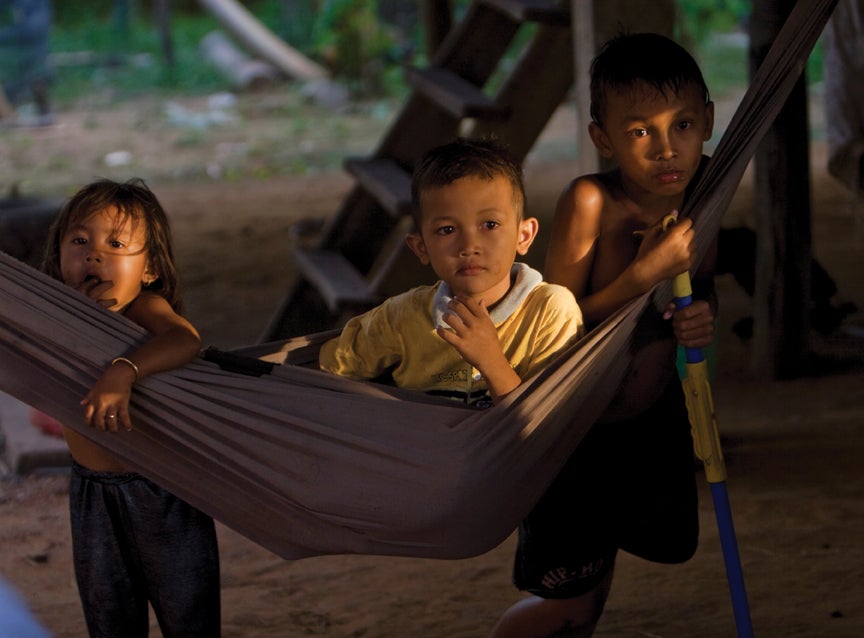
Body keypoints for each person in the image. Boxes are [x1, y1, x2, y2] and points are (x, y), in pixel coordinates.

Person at [490, 33, 718, 637]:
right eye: (641, 132)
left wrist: (698, 316)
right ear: (603, 138)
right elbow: (551, 325)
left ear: (710, 121)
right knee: (565, 603)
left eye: (684, 125)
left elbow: (699, 290)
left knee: (588, 602)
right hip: (575, 434)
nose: (667, 150)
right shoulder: (592, 201)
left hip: (648, 426)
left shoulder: (708, 190)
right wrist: (642, 275)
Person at [39, 178, 221, 637]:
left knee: (188, 617)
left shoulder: (144, 309)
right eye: (80, 241)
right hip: (92, 493)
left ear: (149, 268)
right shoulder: (53, 316)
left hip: (161, 490)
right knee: (108, 618)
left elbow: (185, 339)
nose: (93, 254)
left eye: (115, 244)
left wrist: (123, 371)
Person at [320, 136, 584, 407]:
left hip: (511, 448)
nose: (469, 246)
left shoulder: (550, 311)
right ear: (421, 247)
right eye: (447, 230)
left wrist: (491, 362)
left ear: (523, 235)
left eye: (490, 225)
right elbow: (327, 371)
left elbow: (546, 421)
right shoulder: (401, 316)